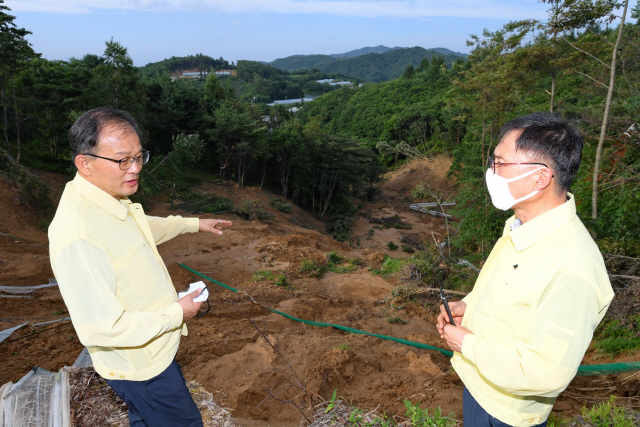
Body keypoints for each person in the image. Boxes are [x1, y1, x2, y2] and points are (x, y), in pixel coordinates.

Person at [49, 107, 232, 427]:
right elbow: (101, 328)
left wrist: (193, 224)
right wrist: (178, 312)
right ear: (85, 163)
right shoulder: (79, 235)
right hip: (142, 367)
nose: (135, 169)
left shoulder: (102, 196)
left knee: (146, 420)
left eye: (139, 157)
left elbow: (138, 226)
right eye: (122, 160)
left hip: (150, 349)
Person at [436, 113, 614, 427]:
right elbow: (514, 291)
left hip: (505, 414)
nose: (490, 170)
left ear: (540, 178)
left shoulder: (573, 267)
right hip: (481, 387)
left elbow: (546, 372)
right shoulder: (524, 227)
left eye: (500, 162)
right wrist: (470, 306)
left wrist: (466, 343)